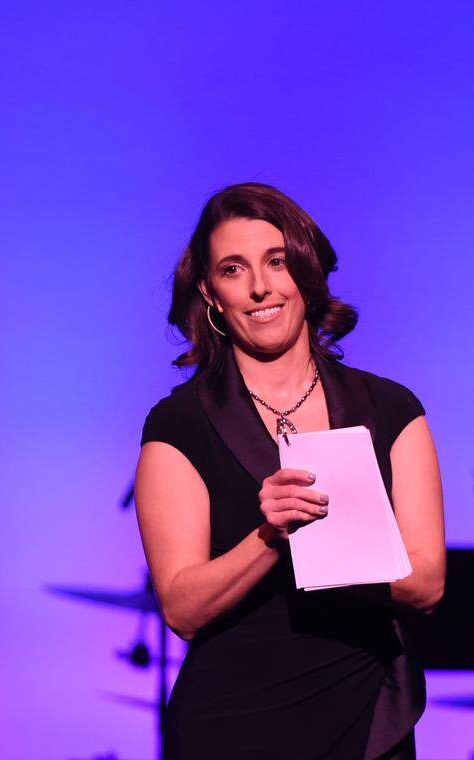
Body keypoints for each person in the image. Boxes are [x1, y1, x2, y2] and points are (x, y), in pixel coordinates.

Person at [134, 183, 445, 759]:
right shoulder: (178, 425)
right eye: (234, 269)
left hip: (366, 718)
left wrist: (332, 539)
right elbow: (181, 607)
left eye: (276, 261)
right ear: (210, 293)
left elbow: (426, 584)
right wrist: (269, 537)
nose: (260, 286)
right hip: (232, 726)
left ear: (306, 269)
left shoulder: (394, 410)